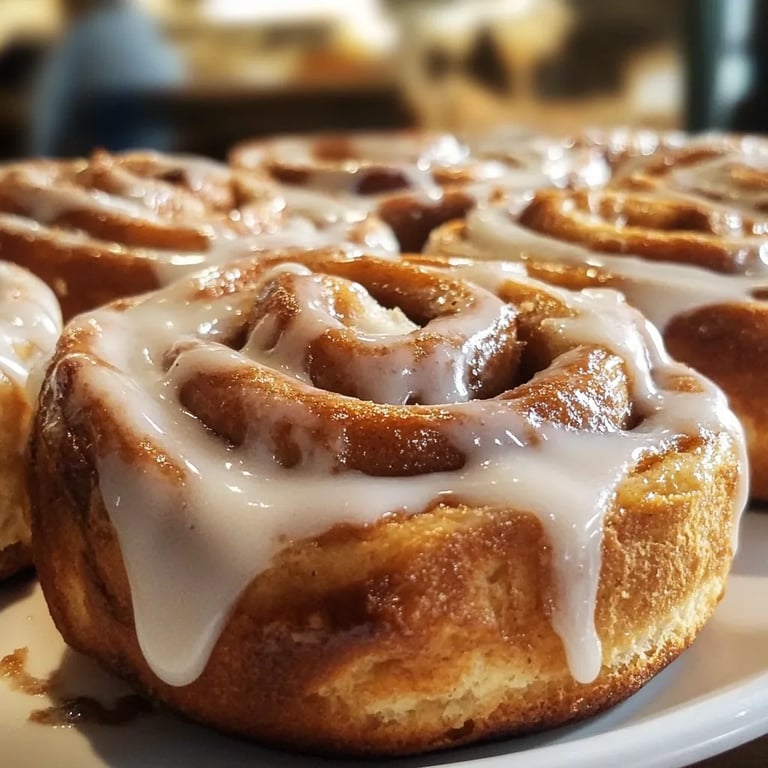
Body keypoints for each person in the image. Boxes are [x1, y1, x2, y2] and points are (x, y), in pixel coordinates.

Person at [29, 0, 185, 157]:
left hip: (107, 143)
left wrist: (38, 153)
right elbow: (175, 78)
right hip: (159, 139)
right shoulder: (146, 28)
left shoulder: (83, 31)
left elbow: (51, 102)